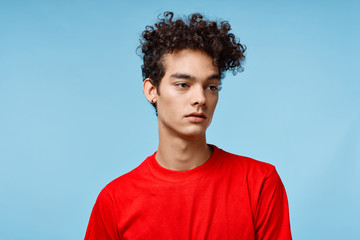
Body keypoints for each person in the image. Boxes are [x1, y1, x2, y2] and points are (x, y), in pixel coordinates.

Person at [85, 11, 292, 240]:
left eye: (211, 86)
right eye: (183, 84)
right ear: (151, 90)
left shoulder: (259, 182)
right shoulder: (115, 200)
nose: (200, 98)